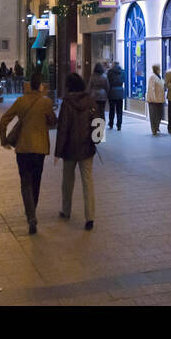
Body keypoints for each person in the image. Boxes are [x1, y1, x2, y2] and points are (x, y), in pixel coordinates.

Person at [0, 71, 58, 235]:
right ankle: (32, 212)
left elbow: (4, 119)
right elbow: (53, 121)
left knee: (25, 182)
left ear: (28, 85)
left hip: (23, 148)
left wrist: (3, 139)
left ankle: (30, 215)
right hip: (39, 148)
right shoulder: (45, 102)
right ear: (40, 86)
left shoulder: (21, 101)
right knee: (36, 181)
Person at [55, 73, 101, 230]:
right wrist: (97, 140)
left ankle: (66, 210)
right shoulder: (90, 100)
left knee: (67, 181)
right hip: (87, 147)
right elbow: (99, 121)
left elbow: (62, 129)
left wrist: (58, 152)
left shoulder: (67, 103)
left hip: (69, 149)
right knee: (88, 182)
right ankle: (90, 218)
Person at [146, 63, 166, 135]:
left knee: (160, 115)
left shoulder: (159, 77)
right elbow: (151, 89)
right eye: (159, 68)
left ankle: (157, 127)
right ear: (156, 69)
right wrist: (153, 99)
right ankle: (154, 129)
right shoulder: (152, 77)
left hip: (160, 99)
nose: (160, 69)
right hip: (153, 100)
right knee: (153, 115)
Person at [105, 60, 125, 130]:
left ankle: (111, 123)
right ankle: (119, 125)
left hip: (112, 92)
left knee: (112, 109)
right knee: (119, 110)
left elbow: (107, 82)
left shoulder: (110, 72)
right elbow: (124, 80)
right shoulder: (123, 71)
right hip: (120, 92)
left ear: (113, 64)